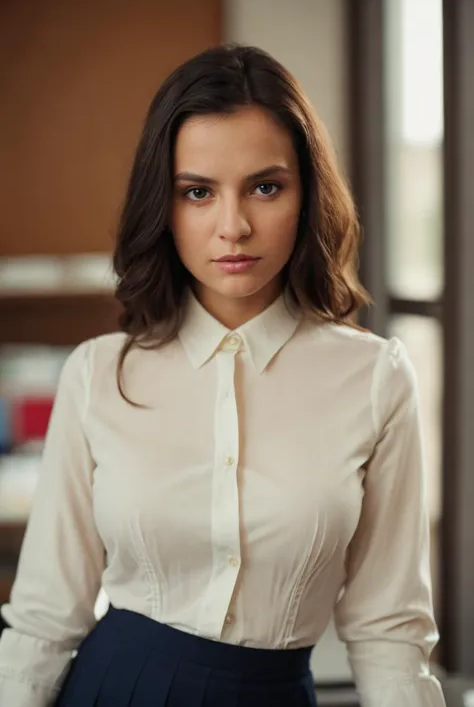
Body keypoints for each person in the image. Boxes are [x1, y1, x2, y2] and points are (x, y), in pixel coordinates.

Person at [0, 44, 445, 707]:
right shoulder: (97, 373)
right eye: (198, 192)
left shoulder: (376, 378)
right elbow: (44, 616)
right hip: (115, 689)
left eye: (265, 187)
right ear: (165, 202)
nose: (232, 226)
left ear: (306, 192)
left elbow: (388, 627)